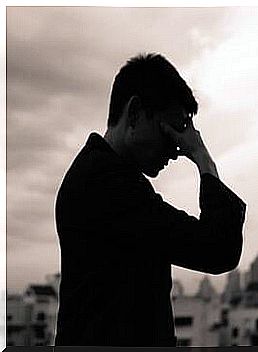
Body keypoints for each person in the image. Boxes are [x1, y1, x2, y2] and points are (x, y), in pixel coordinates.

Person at [54, 53, 247, 347]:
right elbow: (218, 248)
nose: (176, 150)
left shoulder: (105, 176)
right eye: (169, 131)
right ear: (134, 113)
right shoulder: (106, 185)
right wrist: (203, 159)